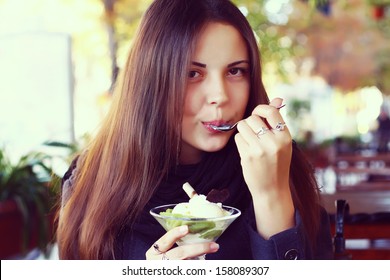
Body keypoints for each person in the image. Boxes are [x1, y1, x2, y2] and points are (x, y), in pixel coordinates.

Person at [57, 0, 333, 260]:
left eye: (235, 71)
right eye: (193, 73)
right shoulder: (92, 181)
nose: (220, 96)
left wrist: (271, 195)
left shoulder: (276, 160)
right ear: (151, 81)